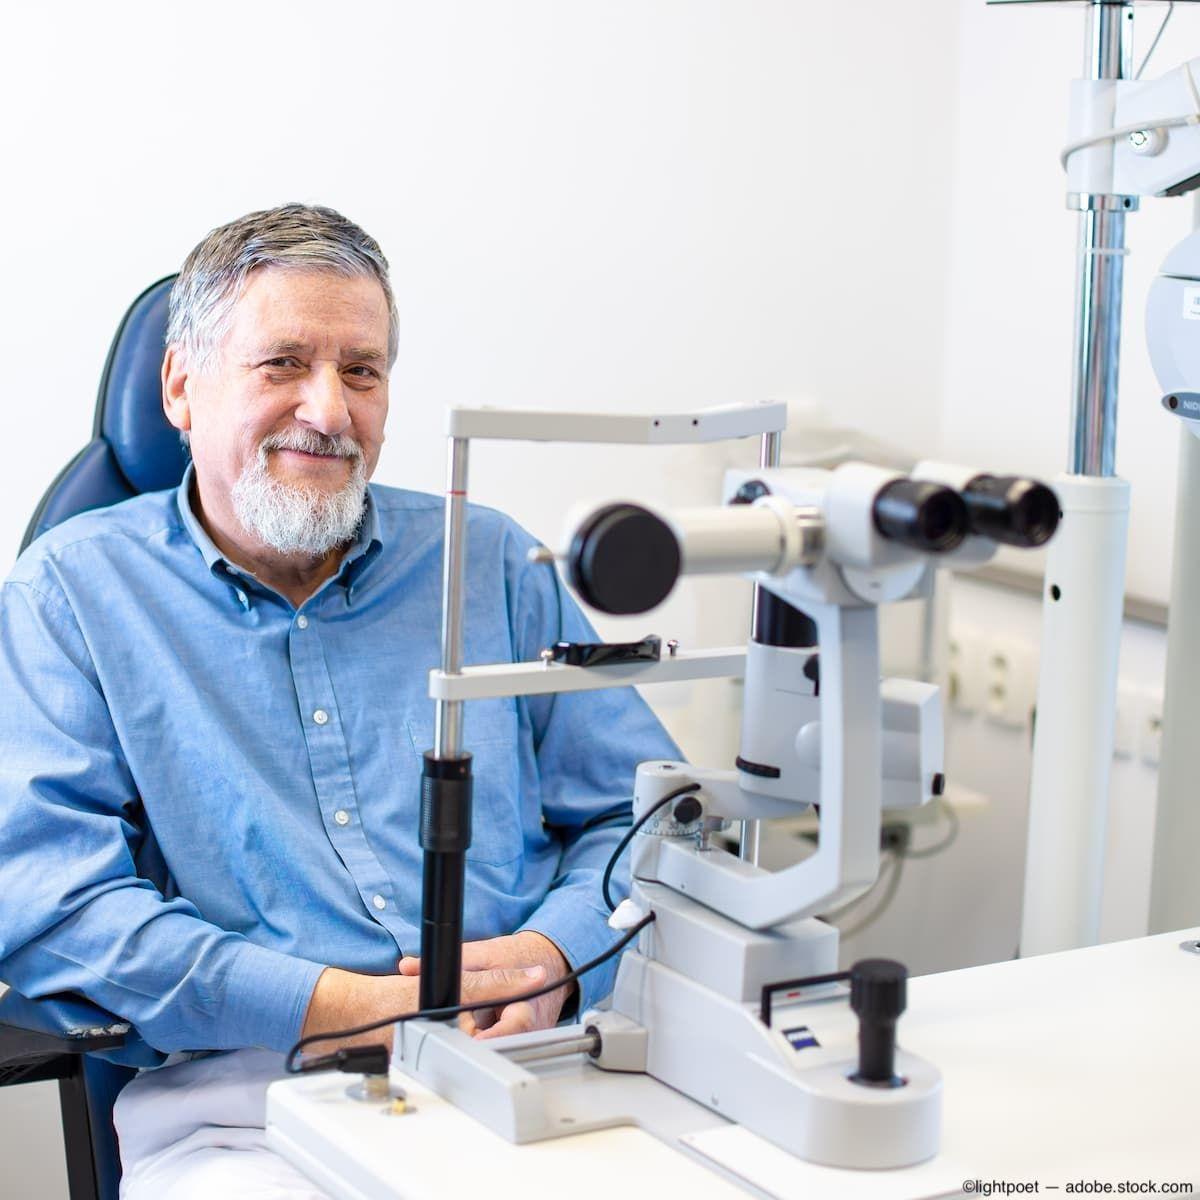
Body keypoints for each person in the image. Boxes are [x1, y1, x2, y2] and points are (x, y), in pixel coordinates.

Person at [0, 204, 677, 1196]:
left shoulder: (486, 558)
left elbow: (651, 812)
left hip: (543, 1065)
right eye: (282, 364)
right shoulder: (69, 595)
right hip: (251, 1114)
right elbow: (52, 906)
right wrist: (339, 1002)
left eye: (361, 371)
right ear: (182, 388)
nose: (330, 408)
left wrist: (556, 955)